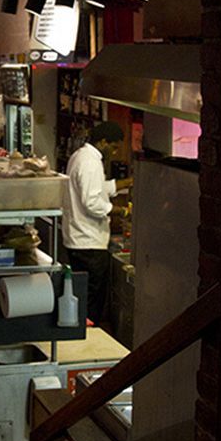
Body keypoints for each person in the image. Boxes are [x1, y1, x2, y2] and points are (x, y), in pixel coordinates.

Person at [62, 121, 132, 325]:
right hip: (88, 242)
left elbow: (97, 188)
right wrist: (122, 211)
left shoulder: (81, 156)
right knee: (91, 300)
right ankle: (89, 338)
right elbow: (92, 202)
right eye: (114, 146)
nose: (115, 151)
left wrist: (125, 183)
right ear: (103, 142)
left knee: (84, 295)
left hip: (79, 238)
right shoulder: (90, 163)